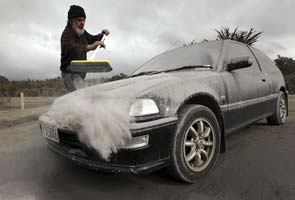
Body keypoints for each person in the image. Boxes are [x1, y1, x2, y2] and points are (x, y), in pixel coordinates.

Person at [60, 5, 110, 92]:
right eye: (79, 20)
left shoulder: (82, 32)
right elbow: (74, 49)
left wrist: (101, 35)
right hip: (70, 73)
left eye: (84, 20)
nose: (82, 23)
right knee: (79, 97)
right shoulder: (66, 35)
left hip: (80, 73)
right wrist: (91, 47)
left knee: (79, 97)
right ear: (72, 21)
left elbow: (92, 39)